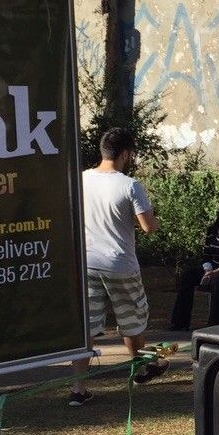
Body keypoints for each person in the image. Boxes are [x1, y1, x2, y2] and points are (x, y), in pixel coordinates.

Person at [70, 129, 160, 407]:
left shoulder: (82, 178)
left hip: (87, 262)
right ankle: (141, 368)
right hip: (120, 263)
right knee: (131, 320)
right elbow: (148, 227)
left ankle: (78, 388)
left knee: (87, 326)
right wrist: (152, 220)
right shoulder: (130, 185)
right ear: (125, 154)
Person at [169, 197, 219, 330]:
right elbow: (206, 255)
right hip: (213, 269)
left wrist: (216, 272)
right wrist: (207, 270)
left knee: (218, 279)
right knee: (187, 275)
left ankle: (213, 326)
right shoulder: (212, 230)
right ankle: (179, 323)